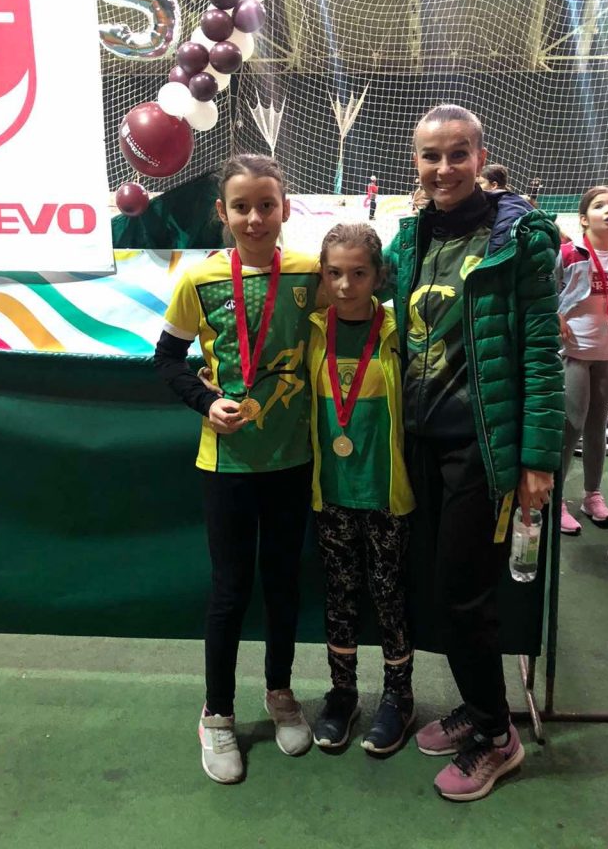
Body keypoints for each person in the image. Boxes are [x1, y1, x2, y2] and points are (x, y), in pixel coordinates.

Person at [385, 104, 564, 802]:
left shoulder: (519, 238)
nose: (444, 168)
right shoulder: (411, 238)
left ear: (480, 157)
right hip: (421, 446)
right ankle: (477, 705)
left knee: (466, 597)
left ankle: (497, 737)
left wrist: (538, 460)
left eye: (457, 153)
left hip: (483, 453)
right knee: (442, 589)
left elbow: (542, 353)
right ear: (415, 163)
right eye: (431, 156)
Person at [154, 154, 320, 784]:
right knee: (230, 590)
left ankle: (280, 693)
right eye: (242, 207)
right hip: (226, 463)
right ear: (222, 213)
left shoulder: (310, 274)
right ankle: (217, 713)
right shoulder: (198, 280)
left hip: (294, 458)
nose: (255, 218)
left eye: (266, 205)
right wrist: (205, 403)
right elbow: (167, 360)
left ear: (285, 209)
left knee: (282, 584)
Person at [307, 223, 416, 753]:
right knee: (340, 594)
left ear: (378, 276)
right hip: (331, 492)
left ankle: (398, 696)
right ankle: (343, 693)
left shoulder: (400, 330)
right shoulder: (311, 329)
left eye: (358, 273)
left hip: (386, 494)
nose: (345, 285)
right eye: (334, 273)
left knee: (389, 593)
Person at [556, 188, 608, 534]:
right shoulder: (569, 254)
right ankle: (555, 499)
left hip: (607, 354)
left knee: (596, 428)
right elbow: (545, 291)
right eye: (600, 205)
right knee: (571, 427)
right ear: (583, 218)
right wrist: (554, 315)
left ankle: (592, 495)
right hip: (574, 353)